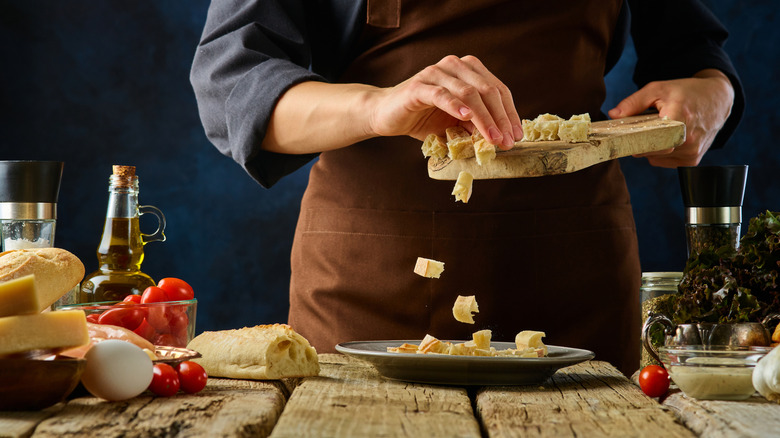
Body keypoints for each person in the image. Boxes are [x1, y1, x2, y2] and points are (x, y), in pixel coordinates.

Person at [190, 0, 742, 376]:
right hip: (372, 284)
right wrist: (376, 106)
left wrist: (712, 94)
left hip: (577, 275)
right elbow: (231, 80)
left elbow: (695, 55)